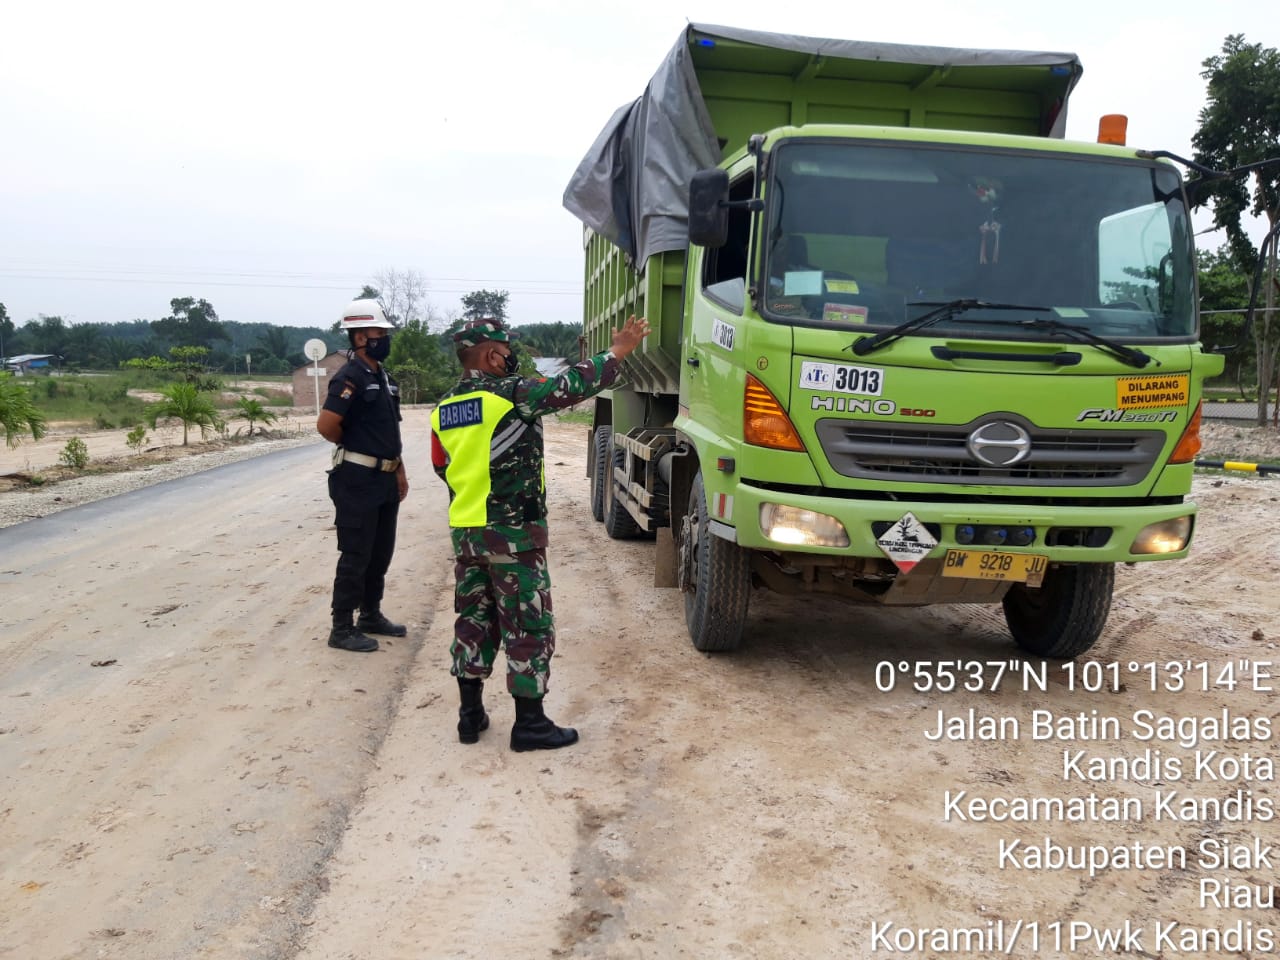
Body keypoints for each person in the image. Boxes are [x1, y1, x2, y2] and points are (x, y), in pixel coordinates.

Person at [430, 314, 650, 751]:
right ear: (493, 354)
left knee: (474, 620)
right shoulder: (511, 395)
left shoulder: (443, 408)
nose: (511, 359)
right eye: (508, 352)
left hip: (468, 534)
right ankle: (529, 725)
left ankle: (469, 716)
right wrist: (619, 351)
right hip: (513, 535)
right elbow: (567, 387)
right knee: (527, 623)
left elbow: (442, 467)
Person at [316, 298, 410, 653]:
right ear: (358, 337)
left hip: (384, 478)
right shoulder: (349, 377)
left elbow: (390, 432)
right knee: (356, 552)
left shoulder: (383, 378)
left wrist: (398, 470)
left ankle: (370, 614)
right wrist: (355, 446)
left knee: (380, 551)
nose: (383, 338)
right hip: (356, 478)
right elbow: (327, 425)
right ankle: (341, 627)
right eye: (377, 332)